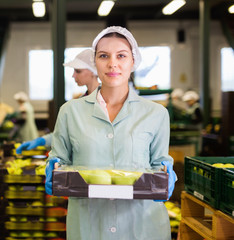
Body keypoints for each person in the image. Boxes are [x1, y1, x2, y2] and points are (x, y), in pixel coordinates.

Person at [45, 26, 177, 240]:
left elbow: (159, 164)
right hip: (89, 226)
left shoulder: (156, 114)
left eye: (121, 56)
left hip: (142, 227)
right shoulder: (70, 112)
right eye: (103, 55)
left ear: (133, 62)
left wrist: (168, 174)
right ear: (94, 62)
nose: (112, 63)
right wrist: (54, 167)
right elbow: (59, 160)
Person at [16, 49, 99, 153]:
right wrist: (42, 140)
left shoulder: (105, 101)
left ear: (93, 71)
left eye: (78, 71)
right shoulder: (80, 101)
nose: (73, 75)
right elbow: (66, 134)